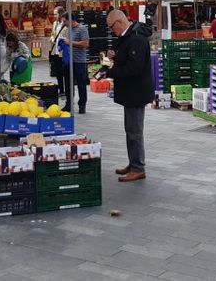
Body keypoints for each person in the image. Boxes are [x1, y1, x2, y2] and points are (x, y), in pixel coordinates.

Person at [97, 10, 152, 182]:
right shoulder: (128, 36)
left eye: (112, 27)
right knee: (130, 130)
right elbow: (126, 56)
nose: (112, 31)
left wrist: (111, 72)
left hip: (136, 91)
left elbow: (134, 68)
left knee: (134, 131)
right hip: (131, 91)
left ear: (120, 22)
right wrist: (115, 55)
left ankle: (138, 168)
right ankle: (133, 163)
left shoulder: (136, 38)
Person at [62, 12, 90, 114]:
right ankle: (69, 104)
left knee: (81, 84)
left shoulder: (82, 29)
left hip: (79, 61)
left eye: (64, 21)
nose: (63, 23)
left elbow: (86, 43)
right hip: (69, 61)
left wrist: (70, 43)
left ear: (70, 19)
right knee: (68, 84)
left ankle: (82, 105)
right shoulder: (68, 29)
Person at [49, 7, 67, 97]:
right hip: (55, 51)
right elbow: (52, 34)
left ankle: (67, 89)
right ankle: (61, 90)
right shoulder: (55, 23)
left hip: (63, 52)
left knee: (65, 72)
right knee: (58, 72)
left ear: (60, 14)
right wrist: (52, 39)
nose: (54, 16)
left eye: (56, 14)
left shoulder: (66, 24)